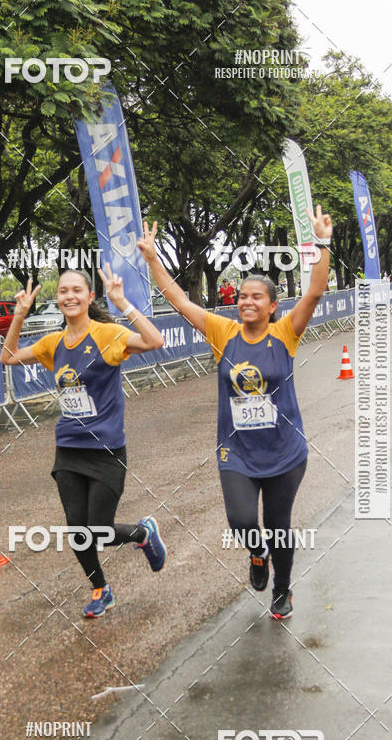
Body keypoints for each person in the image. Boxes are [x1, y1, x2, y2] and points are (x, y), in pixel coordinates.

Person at [138, 206, 332, 620]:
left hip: (284, 451)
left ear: (272, 306)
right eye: (242, 296)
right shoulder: (222, 332)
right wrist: (153, 258)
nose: (246, 301)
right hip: (237, 452)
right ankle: (256, 553)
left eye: (255, 297)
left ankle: (283, 590)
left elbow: (314, 291)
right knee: (243, 519)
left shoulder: (285, 334)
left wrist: (321, 245)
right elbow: (177, 298)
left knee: (279, 524)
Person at [0, 266, 167, 618]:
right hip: (69, 449)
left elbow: (154, 341)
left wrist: (123, 303)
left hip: (106, 450)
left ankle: (142, 534)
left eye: (77, 290)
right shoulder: (54, 342)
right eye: (63, 291)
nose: (69, 296)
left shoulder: (107, 334)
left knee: (99, 530)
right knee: (78, 531)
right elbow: (8, 356)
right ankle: (100, 589)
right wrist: (18, 316)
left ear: (90, 297)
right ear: (57, 299)